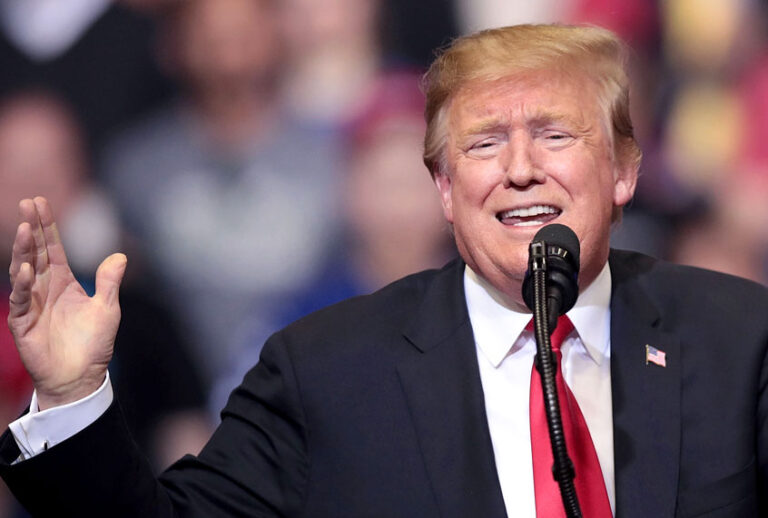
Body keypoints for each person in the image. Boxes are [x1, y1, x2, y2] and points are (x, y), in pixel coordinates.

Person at [1, 24, 767, 518]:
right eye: (484, 143)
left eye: (555, 134)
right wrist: (70, 398)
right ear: (445, 189)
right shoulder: (325, 372)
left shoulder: (741, 340)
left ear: (625, 169)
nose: (520, 169)